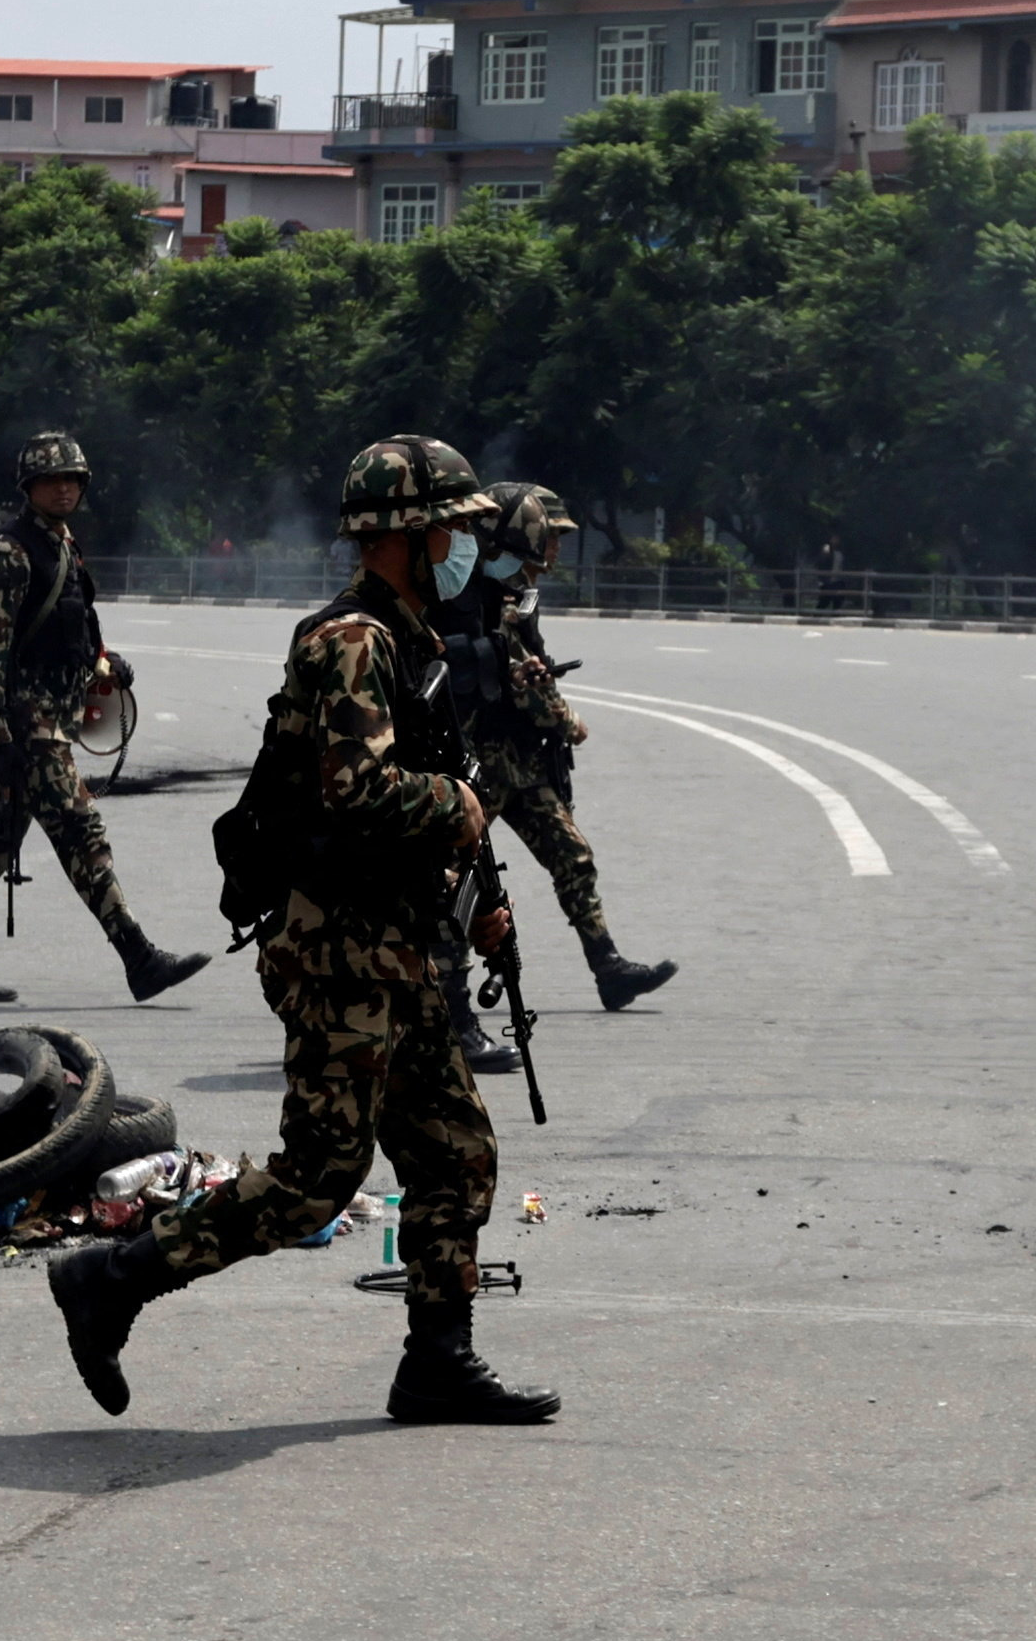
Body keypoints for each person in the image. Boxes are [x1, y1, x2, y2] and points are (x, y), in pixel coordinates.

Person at [49, 435, 552, 1427]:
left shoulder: (414, 641)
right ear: (406, 537)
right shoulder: (348, 643)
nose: (464, 548)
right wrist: (456, 804)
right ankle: (110, 1279)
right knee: (318, 1177)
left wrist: (470, 900)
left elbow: (412, 813)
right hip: (337, 947)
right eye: (452, 529)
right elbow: (356, 793)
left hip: (397, 940)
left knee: (453, 1151)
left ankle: (436, 1365)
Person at [0, 430, 208, 1008]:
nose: (64, 488)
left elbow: (71, 633)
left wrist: (106, 664)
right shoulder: (10, 553)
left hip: (53, 718)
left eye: (73, 479)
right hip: (27, 728)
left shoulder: (62, 546)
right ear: (29, 487)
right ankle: (139, 959)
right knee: (80, 830)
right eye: (53, 479)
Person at [439, 483, 674, 1068]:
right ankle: (450, 1008)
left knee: (572, 855)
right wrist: (563, 718)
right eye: (549, 540)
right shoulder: (462, 598)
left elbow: (524, 673)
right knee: (456, 878)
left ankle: (607, 967)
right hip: (477, 766)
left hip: (518, 763)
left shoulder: (517, 597)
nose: (554, 553)